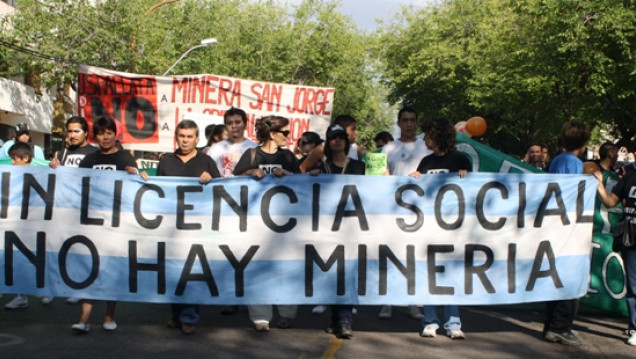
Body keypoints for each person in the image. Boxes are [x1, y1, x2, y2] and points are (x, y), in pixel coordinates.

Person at [72, 116, 148, 333]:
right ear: (95, 136)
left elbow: (136, 191)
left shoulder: (126, 158)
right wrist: (56, 170)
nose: (105, 137)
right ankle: (84, 319)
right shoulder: (88, 160)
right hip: (93, 223)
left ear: (116, 134)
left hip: (117, 225)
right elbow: (75, 185)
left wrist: (137, 175)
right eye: (100, 133)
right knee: (90, 268)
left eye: (108, 133)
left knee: (112, 269)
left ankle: (109, 315)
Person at [233, 115, 300, 331]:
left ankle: (287, 313)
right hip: (256, 225)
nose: (289, 137)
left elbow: (303, 186)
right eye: (286, 133)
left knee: (287, 267)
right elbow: (232, 184)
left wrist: (289, 175)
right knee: (257, 268)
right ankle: (260, 316)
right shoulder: (251, 155)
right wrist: (249, 172)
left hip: (285, 225)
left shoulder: (289, 157)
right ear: (272, 134)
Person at [157, 120, 221, 335]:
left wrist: (210, 179)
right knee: (173, 272)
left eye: (189, 136)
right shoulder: (166, 161)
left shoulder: (207, 161)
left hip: (197, 227)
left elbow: (223, 190)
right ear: (176, 136)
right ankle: (176, 314)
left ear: (197, 139)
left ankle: (189, 317)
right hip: (171, 227)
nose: (185, 140)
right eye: (181, 136)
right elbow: (158, 190)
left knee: (192, 271)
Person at [410, 118, 471, 340]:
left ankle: (453, 322)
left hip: (454, 227)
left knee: (453, 275)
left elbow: (472, 191)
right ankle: (430, 320)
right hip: (428, 227)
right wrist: (415, 179)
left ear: (437, 136)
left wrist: (468, 178)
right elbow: (418, 194)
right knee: (430, 275)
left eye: (427, 135)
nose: (424, 139)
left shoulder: (460, 159)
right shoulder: (425, 162)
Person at [379, 106, 431, 320]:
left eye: (412, 120)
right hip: (393, 211)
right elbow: (380, 176)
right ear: (398, 123)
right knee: (391, 256)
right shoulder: (388, 149)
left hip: (420, 212)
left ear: (416, 123)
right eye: (405, 120)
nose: (409, 124)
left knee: (415, 257)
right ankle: (387, 303)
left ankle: (412, 303)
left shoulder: (426, 148)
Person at [314, 124, 365, 339]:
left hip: (352, 228)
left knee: (347, 272)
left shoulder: (359, 167)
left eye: (341, 137)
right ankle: (336, 320)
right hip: (328, 228)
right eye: (333, 138)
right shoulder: (321, 167)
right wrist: (311, 177)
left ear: (347, 141)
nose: (337, 141)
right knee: (333, 273)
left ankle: (345, 320)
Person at [542, 121, 590, 346]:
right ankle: (561, 327)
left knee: (556, 276)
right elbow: (572, 195)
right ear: (583, 143)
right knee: (571, 277)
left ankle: (551, 325)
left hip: (554, 226)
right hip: (568, 227)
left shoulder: (557, 161)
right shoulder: (574, 163)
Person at [49, 116, 98, 305]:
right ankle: (57, 285)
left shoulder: (94, 152)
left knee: (82, 249)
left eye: (76, 130)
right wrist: (52, 168)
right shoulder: (62, 153)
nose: (72, 134)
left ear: (86, 132)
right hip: (65, 208)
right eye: (69, 131)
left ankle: (81, 287)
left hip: (88, 208)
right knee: (61, 245)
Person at [3, 142, 54, 309]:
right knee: (16, 257)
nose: (11, 163)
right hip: (16, 222)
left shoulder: (43, 174)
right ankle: (21, 295)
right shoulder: (10, 174)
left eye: (14, 159)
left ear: (25, 158)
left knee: (37, 256)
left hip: (36, 222)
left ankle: (45, 289)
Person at [595, 141, 636, 346]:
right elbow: (610, 202)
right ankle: (635, 327)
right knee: (634, 285)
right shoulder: (628, 177)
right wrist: (600, 184)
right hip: (631, 237)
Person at [208, 107, 258, 178]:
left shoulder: (255, 148)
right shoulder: (215, 149)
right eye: (229, 123)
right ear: (225, 126)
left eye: (238, 122)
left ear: (245, 125)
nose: (234, 126)